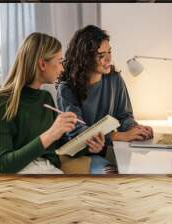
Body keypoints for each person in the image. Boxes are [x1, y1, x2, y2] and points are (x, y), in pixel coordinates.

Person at [0, 32, 104, 174]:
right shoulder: (3, 101)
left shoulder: (45, 98)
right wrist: (51, 134)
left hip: (50, 171)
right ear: (42, 64)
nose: (62, 68)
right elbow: (3, 165)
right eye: (60, 62)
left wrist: (89, 145)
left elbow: (60, 148)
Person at [57, 25, 154, 173]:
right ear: (85, 58)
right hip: (78, 155)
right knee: (111, 172)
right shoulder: (66, 89)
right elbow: (78, 134)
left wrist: (135, 129)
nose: (108, 58)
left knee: (141, 167)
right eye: (101, 55)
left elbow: (124, 116)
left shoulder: (115, 79)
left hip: (105, 150)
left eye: (109, 52)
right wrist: (119, 136)